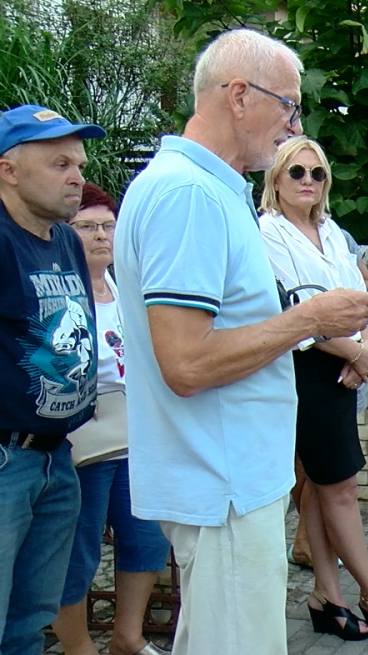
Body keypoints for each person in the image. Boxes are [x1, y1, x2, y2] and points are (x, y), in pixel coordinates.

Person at [115, 30, 368, 655]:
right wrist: (310, 319)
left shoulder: (205, 190)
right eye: (289, 105)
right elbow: (186, 362)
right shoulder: (189, 195)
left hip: (229, 481)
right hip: (224, 485)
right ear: (239, 95)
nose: (295, 126)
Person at [258, 137, 368, 642]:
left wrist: (362, 344)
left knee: (321, 484)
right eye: (296, 172)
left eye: (317, 173)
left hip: (346, 363)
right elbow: (290, 309)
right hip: (305, 367)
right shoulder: (266, 233)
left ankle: (326, 595)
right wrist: (353, 353)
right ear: (276, 179)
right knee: (342, 486)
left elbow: (361, 299)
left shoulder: (332, 232)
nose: (307, 181)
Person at [49, 183, 172, 655]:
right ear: (64, 232)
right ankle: (78, 646)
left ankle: (128, 637)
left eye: (108, 225)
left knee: (147, 539)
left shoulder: (125, 287)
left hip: (135, 434)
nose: (101, 235)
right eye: (87, 226)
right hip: (82, 440)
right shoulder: (60, 291)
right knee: (77, 551)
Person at [0, 105, 104, 655]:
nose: (77, 177)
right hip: (6, 460)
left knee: (30, 621)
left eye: (79, 165)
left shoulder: (65, 240)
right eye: (60, 164)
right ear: (9, 170)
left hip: (57, 456)